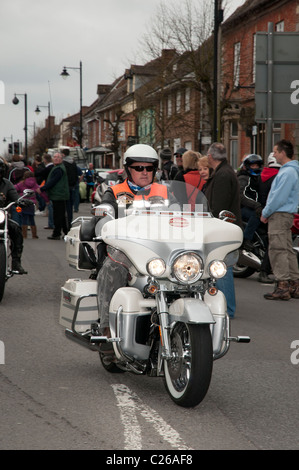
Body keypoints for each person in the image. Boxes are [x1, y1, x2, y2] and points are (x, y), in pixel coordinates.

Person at [95, 144, 169, 350]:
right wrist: (103, 217)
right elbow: (104, 214)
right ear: (128, 169)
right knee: (113, 267)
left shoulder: (165, 192)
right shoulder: (115, 192)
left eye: (149, 168)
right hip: (125, 248)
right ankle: (107, 333)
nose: (145, 172)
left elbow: (185, 215)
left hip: (159, 247)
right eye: (139, 168)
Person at [205, 142, 242, 318]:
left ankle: (226, 309)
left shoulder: (222, 175)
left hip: (223, 229)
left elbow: (218, 206)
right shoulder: (224, 172)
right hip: (225, 227)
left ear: (211, 156)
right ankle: (224, 306)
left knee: (223, 267)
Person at [260, 139, 299, 300]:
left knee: (278, 249)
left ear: (283, 153)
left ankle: (283, 285)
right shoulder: (291, 170)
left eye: (275, 151)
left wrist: (266, 212)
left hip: (279, 214)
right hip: (286, 214)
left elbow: (278, 197)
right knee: (287, 249)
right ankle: (294, 284)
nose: (274, 155)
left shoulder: (287, 172)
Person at [256, 152, 281, 284]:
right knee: (274, 243)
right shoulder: (279, 176)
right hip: (272, 212)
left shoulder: (262, 175)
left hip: (262, 209)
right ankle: (264, 271)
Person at [0, 159, 26, 273]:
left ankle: (16, 262)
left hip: (2, 216)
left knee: (16, 229)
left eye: (1, 169)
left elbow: (15, 197)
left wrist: (21, 202)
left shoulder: (7, 184)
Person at [237, 154, 263, 251]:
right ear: (247, 166)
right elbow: (241, 196)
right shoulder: (244, 178)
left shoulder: (256, 178)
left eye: (257, 165)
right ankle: (246, 240)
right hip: (242, 208)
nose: (255, 168)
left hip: (251, 206)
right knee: (256, 216)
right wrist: (256, 205)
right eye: (253, 166)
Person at [40, 153, 69, 240]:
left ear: (61, 159)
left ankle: (56, 233)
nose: (56, 159)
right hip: (59, 194)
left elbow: (53, 181)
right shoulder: (57, 167)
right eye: (55, 157)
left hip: (59, 195)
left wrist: (42, 188)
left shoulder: (58, 169)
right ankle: (67, 232)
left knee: (58, 215)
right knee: (61, 215)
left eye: (58, 157)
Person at [15, 170, 41, 239]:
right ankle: (34, 234)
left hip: (24, 203)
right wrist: (46, 200)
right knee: (32, 218)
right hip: (32, 204)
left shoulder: (22, 184)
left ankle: (24, 234)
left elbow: (14, 188)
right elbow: (39, 191)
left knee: (24, 218)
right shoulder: (35, 184)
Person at [61, 148, 81, 225]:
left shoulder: (64, 163)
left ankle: (65, 224)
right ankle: (70, 221)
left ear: (63, 154)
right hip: (73, 185)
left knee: (64, 207)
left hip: (65, 187)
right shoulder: (73, 163)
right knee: (70, 206)